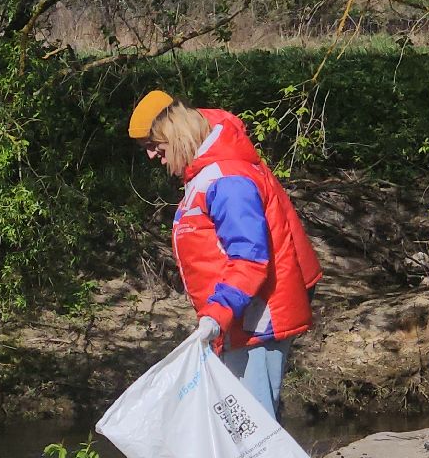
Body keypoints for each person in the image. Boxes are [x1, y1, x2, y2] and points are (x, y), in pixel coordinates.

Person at [129, 90, 323, 420]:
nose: (151, 156)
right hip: (238, 319)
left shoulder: (228, 179)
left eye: (153, 145)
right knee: (243, 428)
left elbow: (249, 258)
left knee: (254, 429)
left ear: (174, 131)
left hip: (254, 321)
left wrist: (216, 317)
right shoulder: (206, 173)